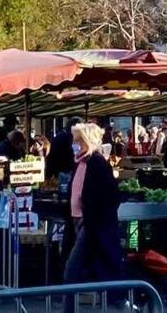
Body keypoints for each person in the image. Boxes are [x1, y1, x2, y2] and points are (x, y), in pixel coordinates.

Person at [64, 123, 123, 312]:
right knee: (89, 268)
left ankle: (69, 309)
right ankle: (120, 302)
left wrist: (92, 217)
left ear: (86, 141)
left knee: (71, 270)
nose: (74, 143)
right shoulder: (79, 163)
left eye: (77, 140)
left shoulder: (97, 164)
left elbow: (110, 195)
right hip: (78, 221)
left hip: (90, 224)